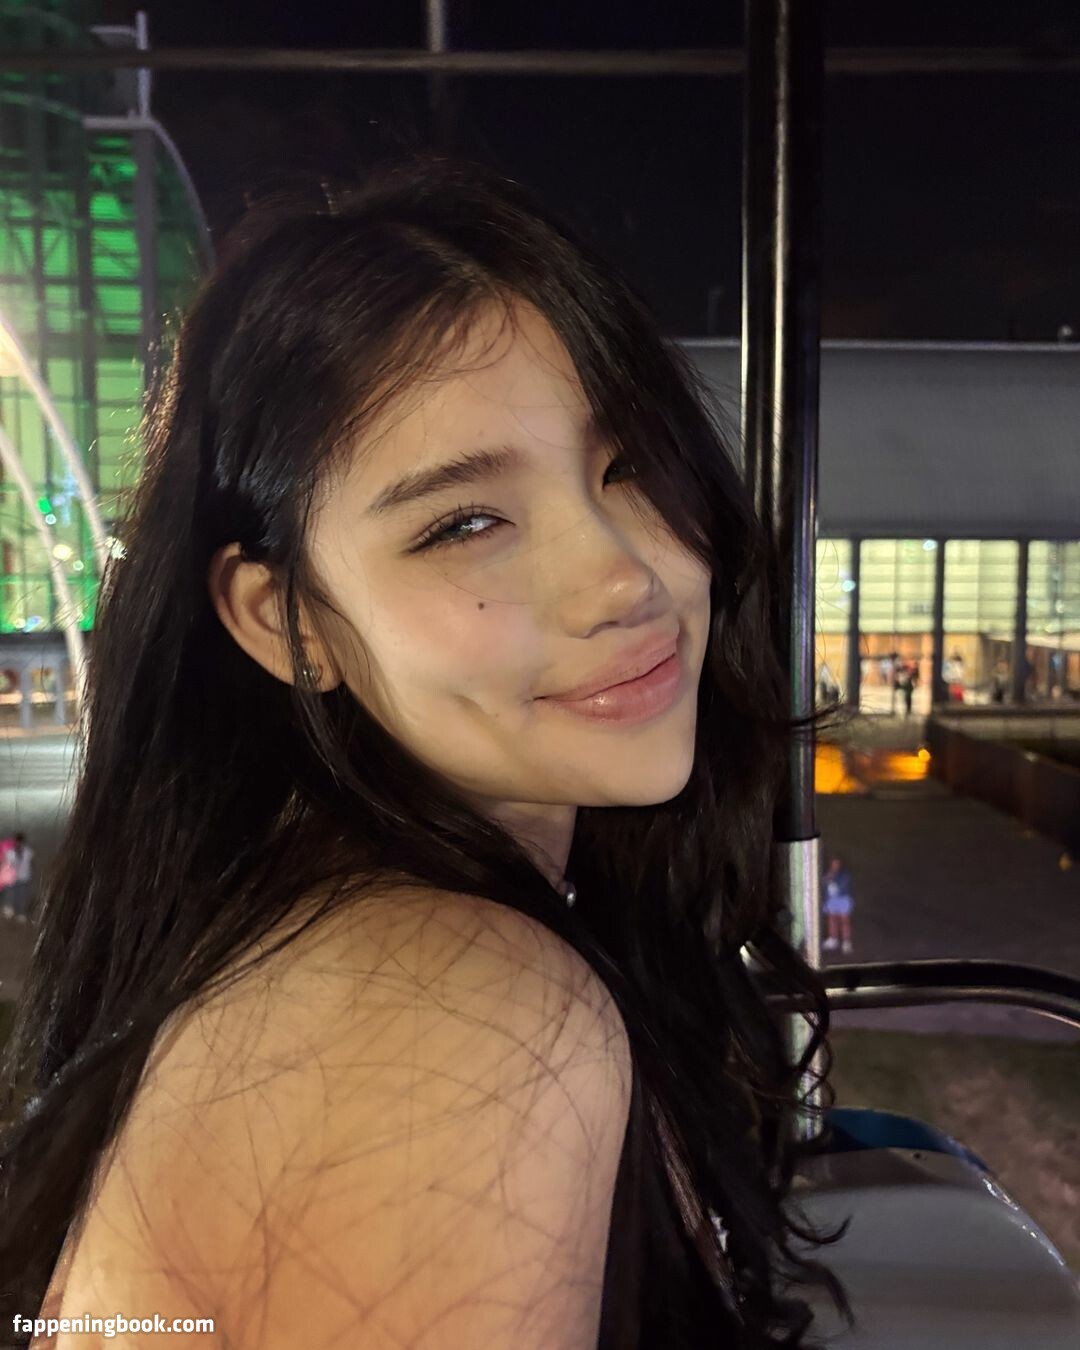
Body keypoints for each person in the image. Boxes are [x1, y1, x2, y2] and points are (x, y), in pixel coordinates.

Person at [0, 156, 850, 1349]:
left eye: (629, 467)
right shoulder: (452, 1012)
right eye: (466, 523)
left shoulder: (331, 926)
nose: (623, 575)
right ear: (283, 621)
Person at [822, 856, 855, 955]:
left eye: (836, 863)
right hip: (831, 900)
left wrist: (830, 880)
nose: (834, 865)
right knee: (832, 920)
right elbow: (822, 883)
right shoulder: (827, 873)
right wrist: (827, 877)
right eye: (833, 863)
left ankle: (846, 942)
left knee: (844, 921)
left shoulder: (845, 874)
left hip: (843, 899)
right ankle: (833, 940)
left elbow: (841, 887)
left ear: (840, 864)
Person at [7, 832, 33, 924]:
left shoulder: (28, 852)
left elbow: (30, 863)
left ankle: (22, 913)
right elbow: (9, 865)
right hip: (13, 878)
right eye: (16, 842)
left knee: (23, 896)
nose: (18, 844)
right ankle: (13, 910)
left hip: (25, 877)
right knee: (13, 895)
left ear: (22, 842)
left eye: (20, 842)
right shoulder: (10, 853)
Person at [0, 834, 16, 918]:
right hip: (5, 877)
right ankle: (8, 908)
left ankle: (8, 908)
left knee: (9, 893)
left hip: (8, 877)